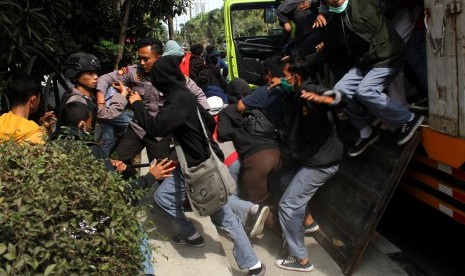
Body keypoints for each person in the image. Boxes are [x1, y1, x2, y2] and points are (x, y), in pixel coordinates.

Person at [126, 56, 266, 276]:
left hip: (197, 168)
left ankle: (250, 263)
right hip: (190, 163)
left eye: (155, 77)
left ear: (162, 77)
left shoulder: (178, 98)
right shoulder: (183, 94)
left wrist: (135, 103)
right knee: (167, 199)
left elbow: (156, 127)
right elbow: (208, 122)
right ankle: (193, 236)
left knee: (220, 216)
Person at [50, 101, 175, 276]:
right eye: (91, 124)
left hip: (56, 225)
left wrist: (107, 164)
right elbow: (119, 193)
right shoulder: (91, 151)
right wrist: (151, 177)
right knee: (135, 229)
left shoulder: (49, 147)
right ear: (81, 125)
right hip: (87, 225)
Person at [319, 0, 424, 157]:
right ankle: (366, 132)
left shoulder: (362, 3)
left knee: (365, 90)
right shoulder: (336, 20)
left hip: (386, 57)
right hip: (366, 63)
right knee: (339, 92)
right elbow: (328, 49)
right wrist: (299, 65)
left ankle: (408, 119)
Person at [275, 59, 343, 272]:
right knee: (285, 179)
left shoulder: (310, 90)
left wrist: (324, 98)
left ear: (296, 77)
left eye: (285, 76)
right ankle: (308, 221)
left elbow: (337, 97)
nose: (284, 80)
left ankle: (300, 258)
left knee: (287, 206)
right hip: (314, 159)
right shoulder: (298, 92)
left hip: (322, 163)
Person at [97, 38, 172, 163]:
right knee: (113, 163)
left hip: (160, 134)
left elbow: (194, 94)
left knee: (162, 175)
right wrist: (101, 101)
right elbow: (104, 79)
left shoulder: (172, 76)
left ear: (159, 58)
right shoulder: (132, 72)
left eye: (146, 59)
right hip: (138, 129)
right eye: (140, 58)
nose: (142, 63)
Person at [0, 73, 55, 144]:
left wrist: (45, 128)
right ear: (33, 100)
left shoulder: (2, 121)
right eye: (39, 98)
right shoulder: (33, 133)